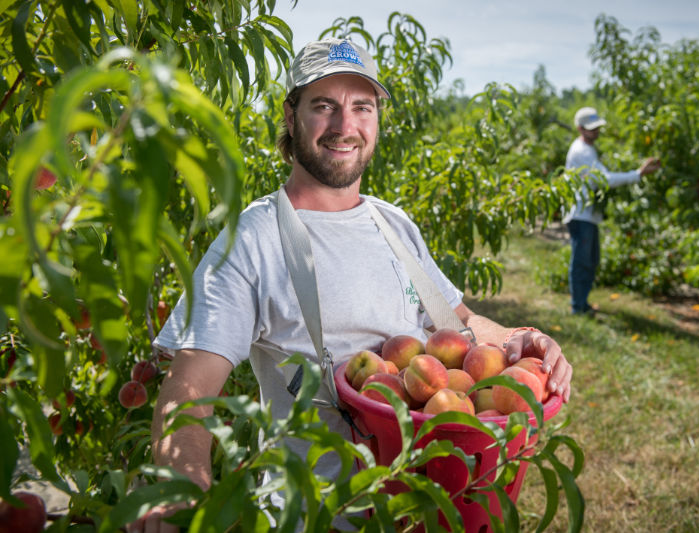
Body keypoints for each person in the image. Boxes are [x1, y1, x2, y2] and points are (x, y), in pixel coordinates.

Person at [134, 38, 573, 531]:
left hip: (426, 505)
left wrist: (516, 339)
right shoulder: (254, 238)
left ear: (377, 117)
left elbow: (461, 325)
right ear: (291, 113)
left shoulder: (395, 225)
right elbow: (190, 383)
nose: (346, 126)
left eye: (361, 107)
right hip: (316, 515)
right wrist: (182, 480)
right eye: (325, 106)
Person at [564, 106, 661, 315]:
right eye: (592, 128)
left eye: (598, 127)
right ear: (580, 129)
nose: (596, 131)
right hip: (581, 214)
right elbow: (603, 180)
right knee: (582, 262)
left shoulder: (588, 150)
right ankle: (577, 307)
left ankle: (582, 303)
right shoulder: (581, 152)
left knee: (590, 261)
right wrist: (638, 174)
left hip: (589, 215)